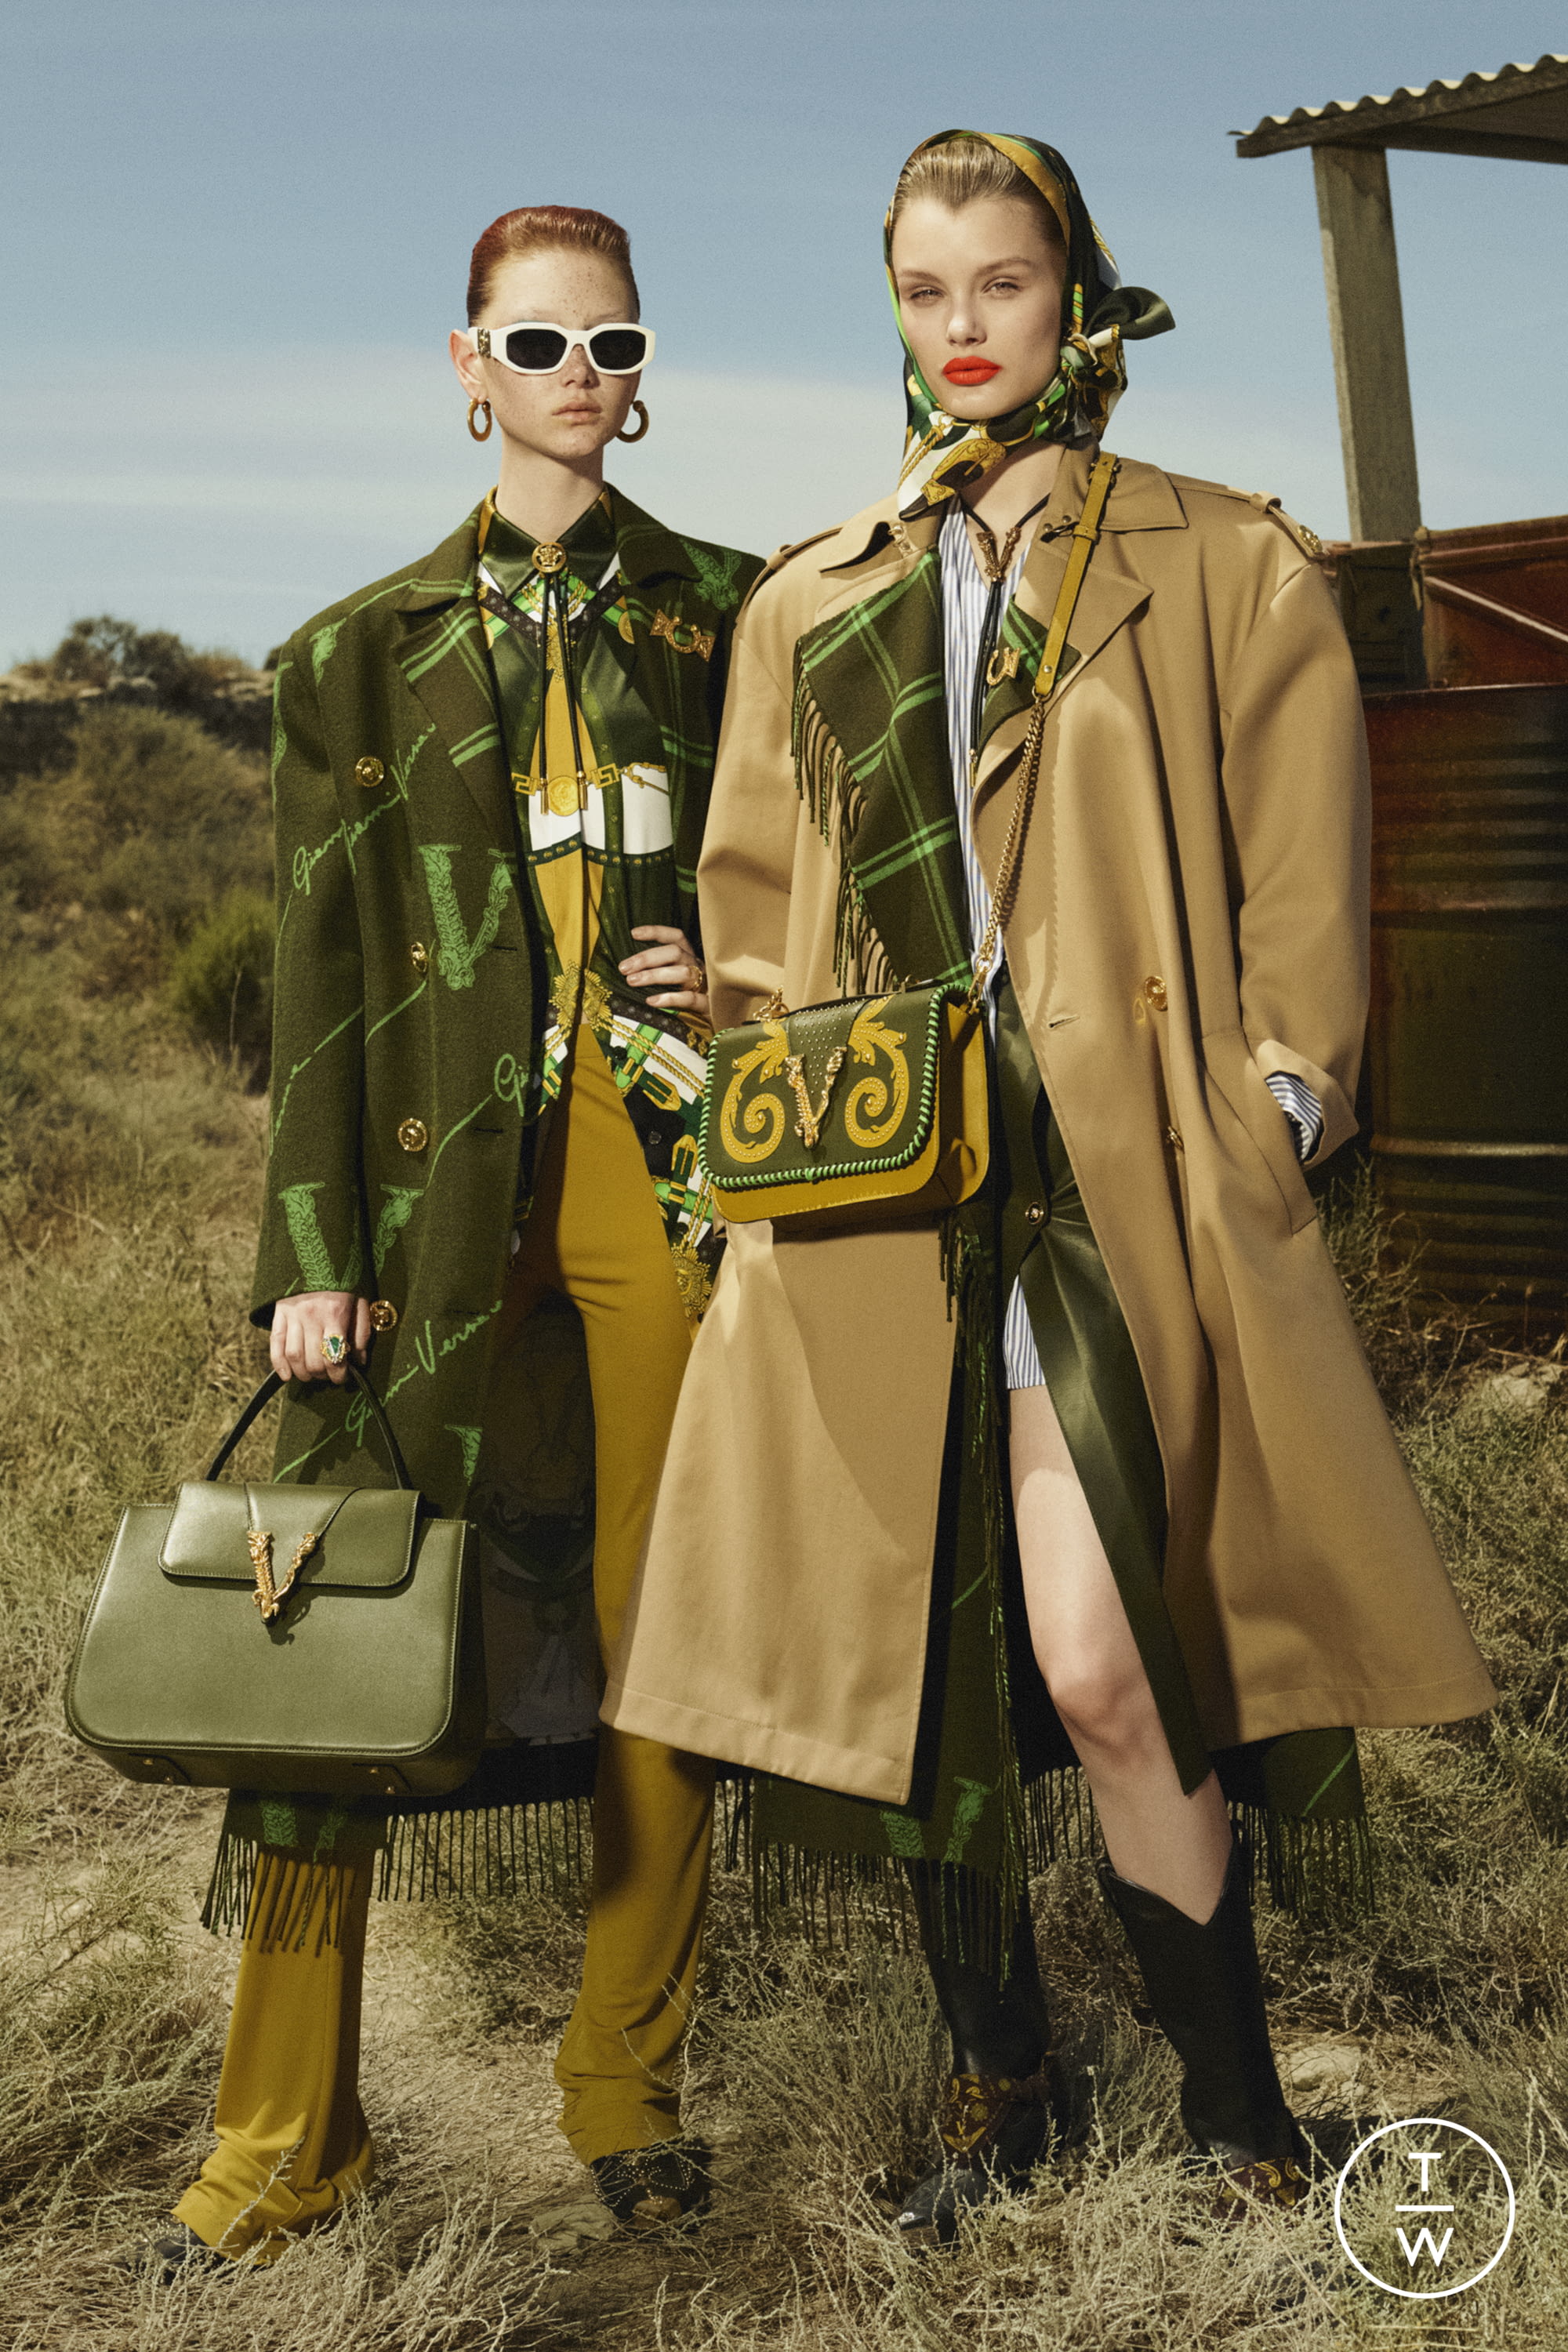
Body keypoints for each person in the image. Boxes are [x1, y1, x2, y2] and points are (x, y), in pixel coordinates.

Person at [603, 132, 1497, 2236]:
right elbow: (763, 907)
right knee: (920, 1672)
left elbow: (1308, 892)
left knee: (1104, 1664)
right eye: (927, 292)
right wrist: (738, 1034)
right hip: (881, 1191)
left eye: (1003, 283)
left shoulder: (1224, 559)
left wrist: (1276, 1111)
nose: (965, 329)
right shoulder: (816, 595)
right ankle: (999, 2086)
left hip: (1119, 1183)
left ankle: (1240, 2118)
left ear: (1074, 293)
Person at [147, 202, 763, 2275]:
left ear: (642, 367)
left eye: (614, 342)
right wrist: (307, 1248)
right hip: (422, 1194)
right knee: (327, 1627)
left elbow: (820, 881)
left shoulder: (735, 615)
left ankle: (625, 2087)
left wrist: (742, 978)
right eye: (539, 340)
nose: (579, 375)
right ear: (466, 362)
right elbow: (319, 971)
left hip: (662, 1169)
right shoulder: (351, 652)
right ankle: (279, 2146)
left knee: (675, 1623)